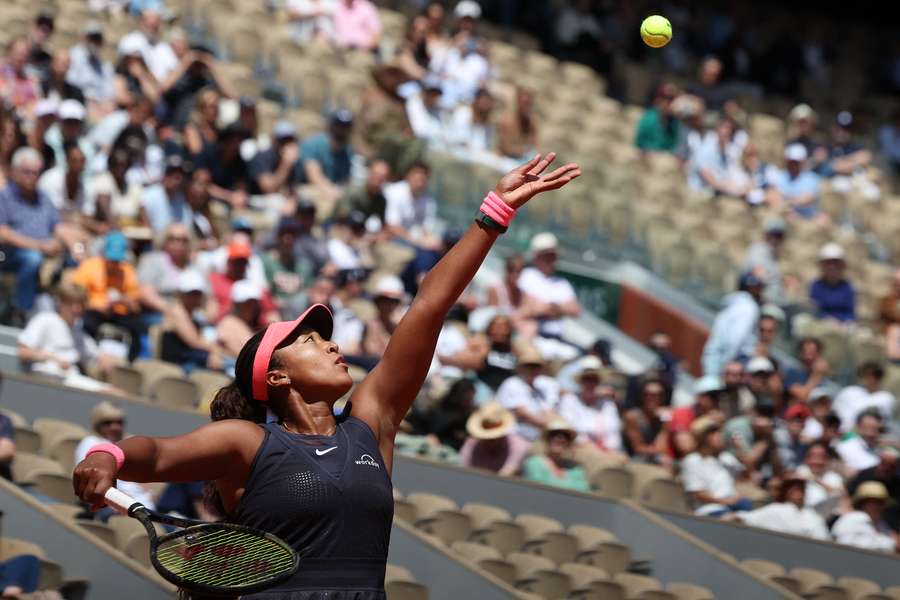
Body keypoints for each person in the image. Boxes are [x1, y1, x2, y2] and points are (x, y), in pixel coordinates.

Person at [72, 153, 580, 598]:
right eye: (310, 342)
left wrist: (494, 212)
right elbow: (157, 454)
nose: (334, 345)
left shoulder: (371, 423)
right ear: (276, 378)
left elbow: (428, 307)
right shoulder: (247, 444)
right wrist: (106, 454)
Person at [0, 148, 61, 320]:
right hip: (7, 254)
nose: (32, 177)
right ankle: (22, 312)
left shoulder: (43, 198)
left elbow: (57, 226)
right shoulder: (4, 197)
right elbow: (3, 234)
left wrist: (65, 243)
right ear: (14, 171)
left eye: (35, 172)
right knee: (32, 258)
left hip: (43, 252)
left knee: (75, 259)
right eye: (27, 172)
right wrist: (40, 246)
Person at [69, 231, 145, 361]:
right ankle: (87, 357)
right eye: (111, 260)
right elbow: (74, 292)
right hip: (93, 310)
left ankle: (131, 363)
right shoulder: (90, 266)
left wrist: (125, 301)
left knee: (138, 325)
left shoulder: (128, 272)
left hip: (118, 312)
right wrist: (95, 305)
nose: (113, 264)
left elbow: (135, 306)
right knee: (88, 321)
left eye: (116, 261)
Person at [74, 401, 155, 513]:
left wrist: (150, 493)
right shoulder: (91, 442)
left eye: (119, 422)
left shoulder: (129, 442)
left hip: (143, 506)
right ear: (97, 424)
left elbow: (144, 477)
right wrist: (123, 501)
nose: (115, 427)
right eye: (108, 423)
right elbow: (91, 482)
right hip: (111, 507)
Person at [517, 232, 582, 360]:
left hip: (557, 339)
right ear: (537, 256)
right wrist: (559, 309)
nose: (551, 260)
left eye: (553, 256)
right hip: (533, 337)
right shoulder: (526, 275)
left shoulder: (562, 283)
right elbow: (530, 307)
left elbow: (576, 310)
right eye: (547, 255)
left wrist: (550, 308)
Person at [17, 282, 100, 378]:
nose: (76, 309)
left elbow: (96, 356)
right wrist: (53, 358)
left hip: (71, 378)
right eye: (70, 303)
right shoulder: (45, 319)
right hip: (46, 375)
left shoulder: (80, 333)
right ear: (60, 303)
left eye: (80, 304)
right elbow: (23, 352)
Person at [160, 270, 230, 372]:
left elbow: (211, 316)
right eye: (191, 294)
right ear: (181, 294)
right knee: (222, 364)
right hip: (177, 366)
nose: (195, 297)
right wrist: (217, 351)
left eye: (197, 293)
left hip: (190, 360)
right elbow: (194, 342)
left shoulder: (193, 314)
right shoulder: (177, 311)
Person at [681, 416, 750, 516]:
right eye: (713, 433)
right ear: (703, 438)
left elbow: (746, 475)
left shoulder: (726, 458)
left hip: (734, 506)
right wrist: (726, 502)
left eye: (719, 432)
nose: (719, 436)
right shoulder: (692, 460)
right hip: (710, 509)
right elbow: (698, 494)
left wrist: (740, 450)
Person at [701, 272, 765, 377]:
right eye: (757, 288)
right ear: (751, 288)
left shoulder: (731, 302)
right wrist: (726, 364)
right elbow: (736, 338)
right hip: (735, 359)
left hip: (716, 355)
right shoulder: (749, 307)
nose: (760, 291)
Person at [496, 344, 562, 442]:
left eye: (536, 366)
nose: (533, 369)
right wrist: (555, 426)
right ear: (520, 368)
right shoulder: (512, 383)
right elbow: (525, 415)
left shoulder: (539, 390)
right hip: (511, 436)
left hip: (532, 437)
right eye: (529, 366)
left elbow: (548, 412)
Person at [558, 356, 623, 453]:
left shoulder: (607, 404)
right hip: (578, 449)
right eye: (587, 379)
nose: (590, 383)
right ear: (580, 381)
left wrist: (609, 449)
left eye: (594, 380)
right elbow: (568, 428)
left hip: (606, 451)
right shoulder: (570, 400)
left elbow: (613, 432)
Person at [735, 473, 829, 539]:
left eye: (800, 487)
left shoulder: (813, 515)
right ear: (785, 490)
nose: (797, 490)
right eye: (792, 486)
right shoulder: (775, 509)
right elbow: (745, 518)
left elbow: (823, 540)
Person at [459, 402, 530, 476]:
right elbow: (463, 470)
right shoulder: (471, 444)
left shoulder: (519, 446)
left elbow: (506, 476)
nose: (490, 440)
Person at [522, 419, 590, 492]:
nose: (559, 438)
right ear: (547, 439)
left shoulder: (575, 469)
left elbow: (583, 493)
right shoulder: (533, 464)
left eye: (565, 436)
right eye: (554, 434)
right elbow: (537, 491)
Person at [832, 482, 899, 552]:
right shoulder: (852, 518)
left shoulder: (882, 524)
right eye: (873, 502)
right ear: (863, 503)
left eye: (880, 502)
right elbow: (845, 544)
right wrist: (891, 543)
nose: (878, 507)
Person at [67, 22, 117, 115]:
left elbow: (110, 94)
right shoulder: (73, 57)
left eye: (97, 39)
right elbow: (71, 85)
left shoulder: (105, 67)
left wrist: (106, 108)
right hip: (77, 103)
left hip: (100, 109)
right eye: (91, 38)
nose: (94, 42)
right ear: (84, 38)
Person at [670, 376, 724, 457]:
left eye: (720, 396)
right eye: (713, 395)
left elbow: (719, 446)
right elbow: (686, 447)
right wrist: (707, 422)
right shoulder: (683, 413)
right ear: (699, 397)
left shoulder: (718, 416)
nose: (717, 400)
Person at [622, 377, 671, 465]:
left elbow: (663, 446)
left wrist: (665, 421)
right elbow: (638, 448)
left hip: (654, 455)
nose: (650, 398)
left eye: (656, 395)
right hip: (633, 458)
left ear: (663, 397)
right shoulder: (632, 416)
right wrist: (658, 452)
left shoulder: (663, 417)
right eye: (646, 394)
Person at [770, 144, 824, 222]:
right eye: (791, 161)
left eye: (796, 162)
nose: (793, 165)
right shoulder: (780, 176)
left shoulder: (812, 178)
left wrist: (787, 202)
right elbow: (772, 195)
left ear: (803, 162)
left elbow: (807, 199)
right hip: (784, 215)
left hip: (806, 218)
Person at [833, 363, 896, 430]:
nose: (871, 379)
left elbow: (884, 424)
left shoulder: (887, 398)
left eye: (876, 375)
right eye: (867, 375)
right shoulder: (848, 391)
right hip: (843, 433)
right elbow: (835, 413)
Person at [249, 120, 304, 195]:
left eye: (290, 140)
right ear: (274, 141)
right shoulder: (262, 157)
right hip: (259, 199)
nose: (286, 144)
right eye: (283, 140)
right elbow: (268, 188)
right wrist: (286, 164)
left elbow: (294, 187)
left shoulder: (297, 159)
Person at [796, 440, 847, 517]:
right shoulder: (799, 472)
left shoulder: (834, 477)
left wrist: (815, 479)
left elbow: (841, 494)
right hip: (803, 514)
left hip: (829, 516)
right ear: (806, 459)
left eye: (821, 457)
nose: (817, 461)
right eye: (813, 456)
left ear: (827, 460)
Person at [743, 217, 787, 306]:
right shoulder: (758, 250)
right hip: (758, 301)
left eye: (778, 235)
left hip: (772, 300)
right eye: (772, 234)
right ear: (766, 234)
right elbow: (758, 275)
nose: (775, 239)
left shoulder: (772, 254)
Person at [361, 275, 407, 359]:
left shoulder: (403, 325)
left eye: (394, 301)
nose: (389, 305)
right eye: (384, 300)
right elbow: (372, 354)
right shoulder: (370, 325)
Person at [809, 242, 856, 323]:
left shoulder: (847, 287)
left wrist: (840, 321)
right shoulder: (816, 286)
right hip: (821, 324)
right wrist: (826, 319)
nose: (832, 267)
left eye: (836, 263)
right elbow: (814, 310)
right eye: (828, 263)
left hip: (842, 326)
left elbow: (850, 313)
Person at [217, 280, 264, 358]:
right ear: (237, 304)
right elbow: (240, 353)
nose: (251, 307)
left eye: (254, 302)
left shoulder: (255, 326)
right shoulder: (228, 322)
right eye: (247, 303)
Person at [819, 111, 871, 178]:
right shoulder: (823, 146)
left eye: (847, 129)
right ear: (833, 128)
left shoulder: (853, 146)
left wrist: (840, 161)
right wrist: (852, 162)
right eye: (839, 128)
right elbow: (830, 167)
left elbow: (865, 157)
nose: (842, 132)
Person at [634, 84, 681, 153]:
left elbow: (677, 146)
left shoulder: (676, 122)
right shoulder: (648, 118)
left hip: (667, 158)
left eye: (672, 100)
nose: (670, 103)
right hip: (648, 157)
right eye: (666, 99)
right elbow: (639, 143)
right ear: (658, 100)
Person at [836, 409, 884, 473]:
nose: (870, 433)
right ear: (857, 427)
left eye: (875, 429)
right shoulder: (844, 447)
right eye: (867, 428)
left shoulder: (881, 450)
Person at [783, 337, 830, 403]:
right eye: (805, 351)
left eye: (812, 353)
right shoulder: (792, 373)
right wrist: (816, 376)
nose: (809, 357)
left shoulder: (822, 379)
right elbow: (802, 396)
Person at [497, 87, 538, 160]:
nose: (525, 106)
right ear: (518, 102)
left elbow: (535, 146)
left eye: (528, 103)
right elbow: (505, 147)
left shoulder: (531, 124)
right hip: (506, 160)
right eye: (523, 103)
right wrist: (522, 151)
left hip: (522, 159)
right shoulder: (506, 121)